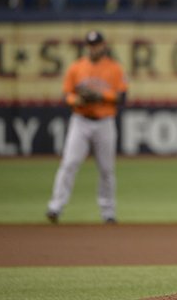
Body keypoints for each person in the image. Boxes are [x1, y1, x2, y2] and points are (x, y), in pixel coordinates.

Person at [46, 31, 128, 224]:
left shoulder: (114, 68)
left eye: (97, 44)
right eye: (91, 45)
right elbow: (66, 96)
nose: (94, 48)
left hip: (104, 122)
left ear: (103, 45)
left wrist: (101, 96)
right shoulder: (76, 68)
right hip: (81, 120)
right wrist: (79, 99)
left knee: (107, 169)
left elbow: (122, 97)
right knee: (69, 163)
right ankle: (55, 207)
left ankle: (108, 212)